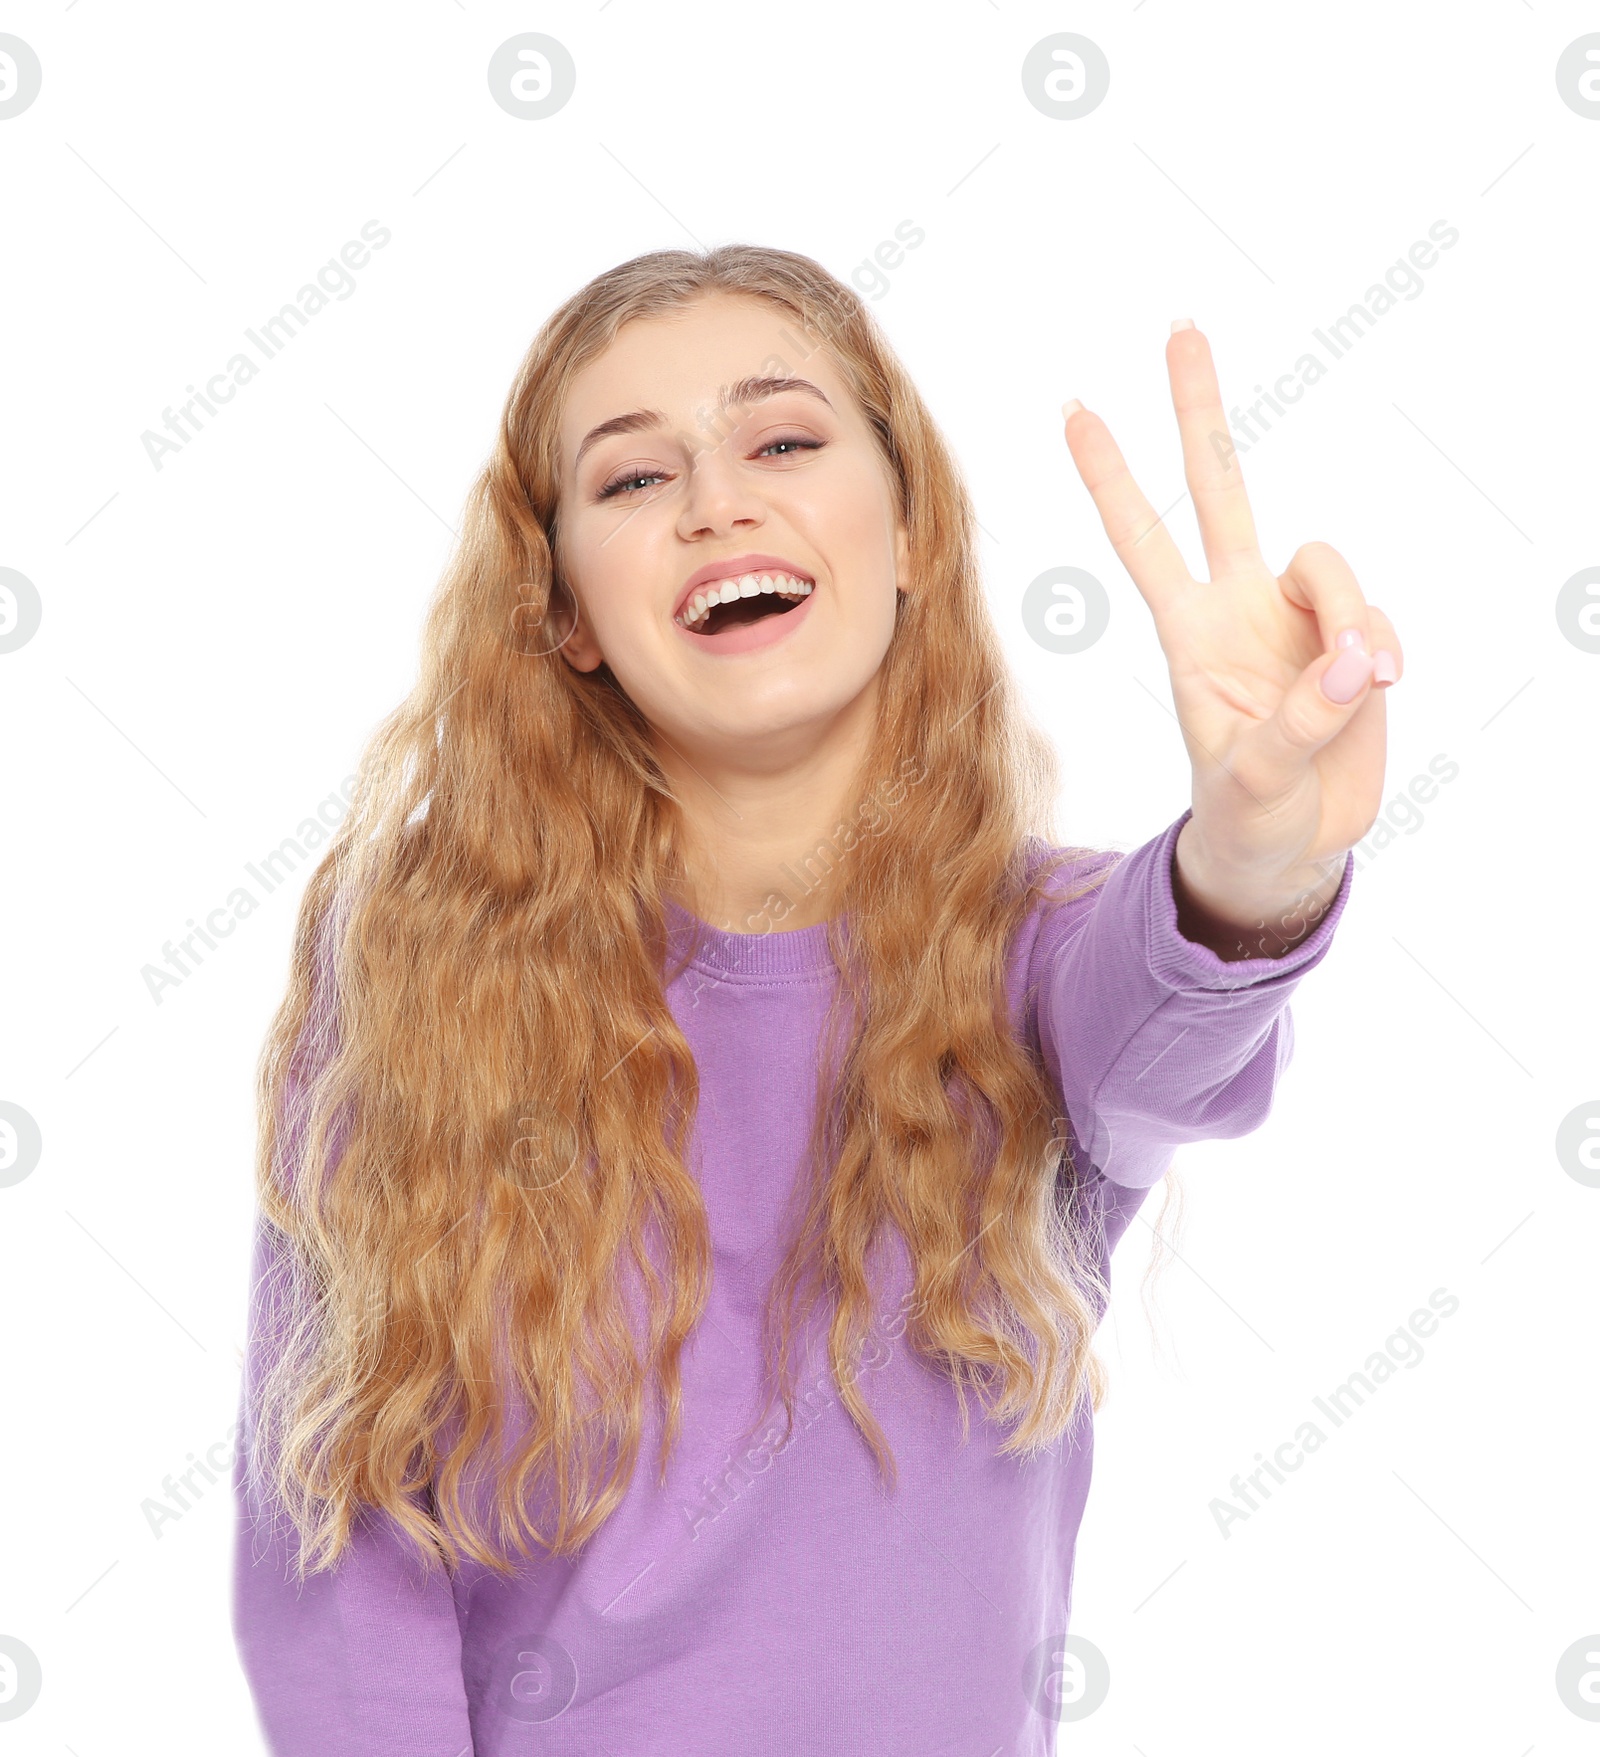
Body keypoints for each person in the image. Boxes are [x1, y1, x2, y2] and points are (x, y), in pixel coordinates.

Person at [231, 244, 1400, 1755]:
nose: (720, 499)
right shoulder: (419, 961)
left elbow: (1177, 1032)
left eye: (783, 439)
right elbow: (336, 1538)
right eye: (635, 479)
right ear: (568, 607)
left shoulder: (1039, 951)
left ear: (907, 529)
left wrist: (1250, 857)